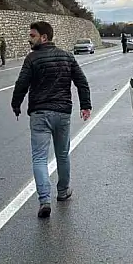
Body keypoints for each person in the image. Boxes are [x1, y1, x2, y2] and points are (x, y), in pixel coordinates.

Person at [11, 21, 92, 218]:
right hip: (63, 113)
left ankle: (44, 200)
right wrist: (85, 105)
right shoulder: (67, 57)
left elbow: (22, 83)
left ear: (44, 37)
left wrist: (16, 104)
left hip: (39, 114)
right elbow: (81, 82)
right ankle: (63, 192)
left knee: (39, 158)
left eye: (32, 36)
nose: (29, 39)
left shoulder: (32, 59)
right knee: (62, 155)